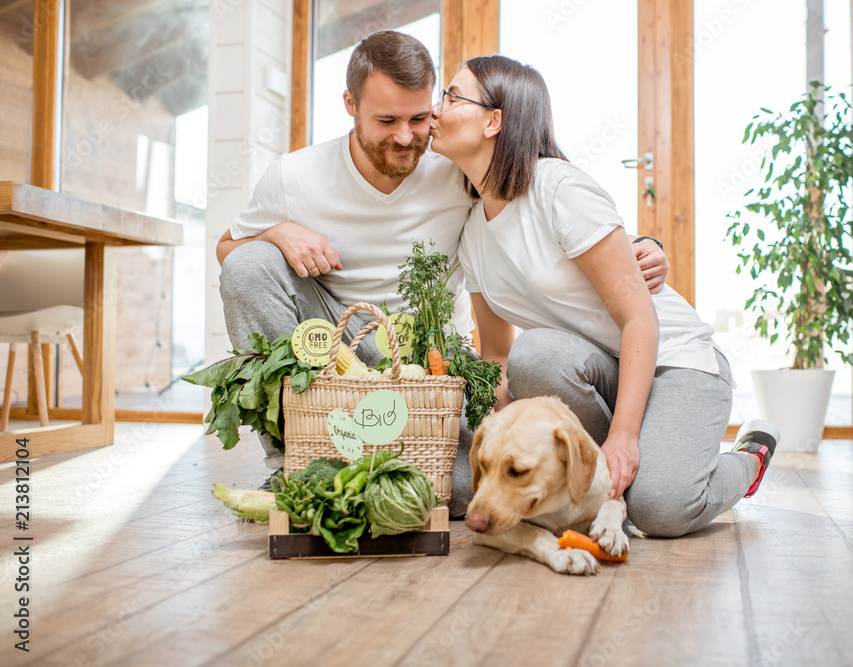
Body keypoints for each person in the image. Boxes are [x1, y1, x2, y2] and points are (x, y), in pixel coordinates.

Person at [215, 31, 670, 505]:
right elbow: (229, 250)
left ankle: (370, 459)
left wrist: (643, 243)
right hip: (334, 345)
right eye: (386, 120)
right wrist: (277, 234)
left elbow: (540, 193)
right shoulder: (294, 176)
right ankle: (293, 460)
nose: (406, 137)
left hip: (433, 360)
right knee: (250, 264)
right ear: (350, 103)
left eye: (419, 117)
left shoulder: (456, 163)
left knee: (451, 490)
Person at [429, 55, 780, 537]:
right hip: (600, 371)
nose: (435, 110)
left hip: (677, 361)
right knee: (535, 356)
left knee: (659, 510)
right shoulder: (471, 232)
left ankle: (748, 457)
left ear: (494, 121)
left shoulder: (557, 188)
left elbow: (640, 318)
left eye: (450, 96)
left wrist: (623, 439)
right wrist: (496, 431)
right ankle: (640, 462)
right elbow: (497, 353)